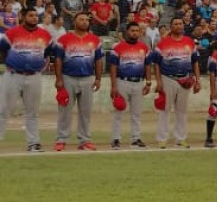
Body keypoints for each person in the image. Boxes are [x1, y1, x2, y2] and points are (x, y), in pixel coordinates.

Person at [0, 9, 53, 152]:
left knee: (32, 112)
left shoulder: (45, 35)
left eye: (36, 15)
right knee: (3, 109)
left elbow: (47, 54)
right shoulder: (11, 33)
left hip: (34, 76)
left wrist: (40, 68)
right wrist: (10, 64)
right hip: (12, 75)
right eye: (30, 15)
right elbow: (2, 50)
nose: (34, 18)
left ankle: (33, 143)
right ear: (22, 17)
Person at [51, 12, 103, 151]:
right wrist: (59, 79)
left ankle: (85, 140)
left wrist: (98, 78)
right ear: (74, 21)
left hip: (87, 78)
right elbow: (58, 60)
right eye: (81, 19)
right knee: (64, 110)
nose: (85, 22)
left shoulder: (95, 40)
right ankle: (61, 139)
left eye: (87, 20)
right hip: (68, 77)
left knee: (85, 112)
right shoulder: (64, 39)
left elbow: (98, 60)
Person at [149, 17, 201, 149]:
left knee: (182, 111)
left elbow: (195, 62)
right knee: (164, 110)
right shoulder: (163, 43)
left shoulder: (189, 42)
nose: (178, 26)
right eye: (175, 24)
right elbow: (156, 63)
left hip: (185, 79)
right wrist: (159, 81)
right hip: (168, 78)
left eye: (180, 23)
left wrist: (197, 80)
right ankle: (162, 139)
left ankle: (181, 138)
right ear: (171, 27)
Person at [108, 21, 151, 149]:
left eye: (137, 31)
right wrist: (113, 85)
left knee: (136, 113)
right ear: (127, 32)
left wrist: (148, 82)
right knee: (118, 111)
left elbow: (147, 66)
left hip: (138, 82)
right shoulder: (118, 48)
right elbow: (113, 67)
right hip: (122, 81)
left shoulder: (144, 48)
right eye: (132, 30)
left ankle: (136, 138)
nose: (135, 33)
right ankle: (116, 139)